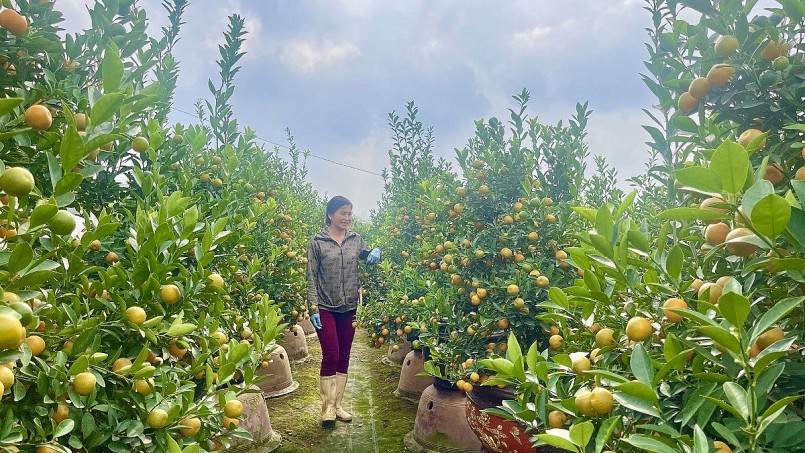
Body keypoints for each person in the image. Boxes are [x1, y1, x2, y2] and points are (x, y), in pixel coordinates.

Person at [306, 196, 381, 428]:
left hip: (349, 306)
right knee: (331, 353)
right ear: (330, 215)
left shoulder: (356, 240)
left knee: (345, 354)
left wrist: (376, 252)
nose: (347, 218)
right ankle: (326, 408)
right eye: (343, 213)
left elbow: (367, 258)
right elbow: (310, 277)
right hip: (326, 307)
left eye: (350, 213)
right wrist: (313, 307)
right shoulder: (317, 241)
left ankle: (338, 405)